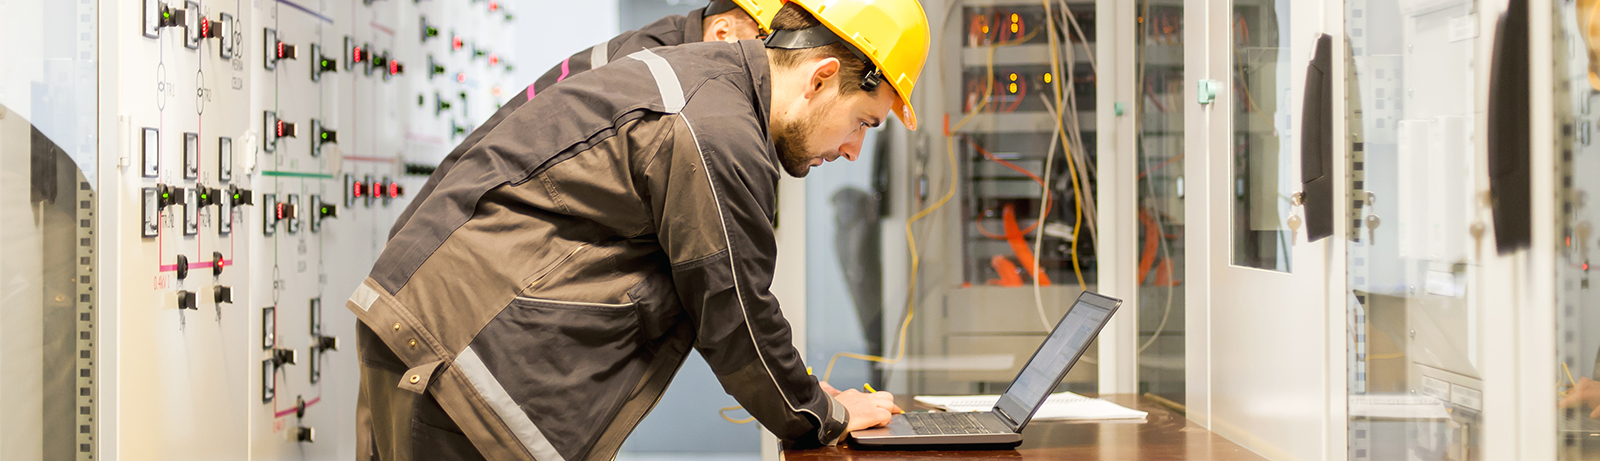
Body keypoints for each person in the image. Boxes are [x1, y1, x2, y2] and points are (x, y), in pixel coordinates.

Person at [346, 0, 930, 459]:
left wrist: (814, 402)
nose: (855, 150)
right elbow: (735, 312)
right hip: (461, 358)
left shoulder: (701, 81)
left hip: (430, 335)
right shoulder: (717, 128)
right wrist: (826, 416)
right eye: (863, 122)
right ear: (821, 77)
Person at [390, 0, 780, 239]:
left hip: (454, 236)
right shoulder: (655, 77)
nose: (773, 72)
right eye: (769, 51)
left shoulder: (664, 56)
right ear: (724, 32)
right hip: (450, 240)